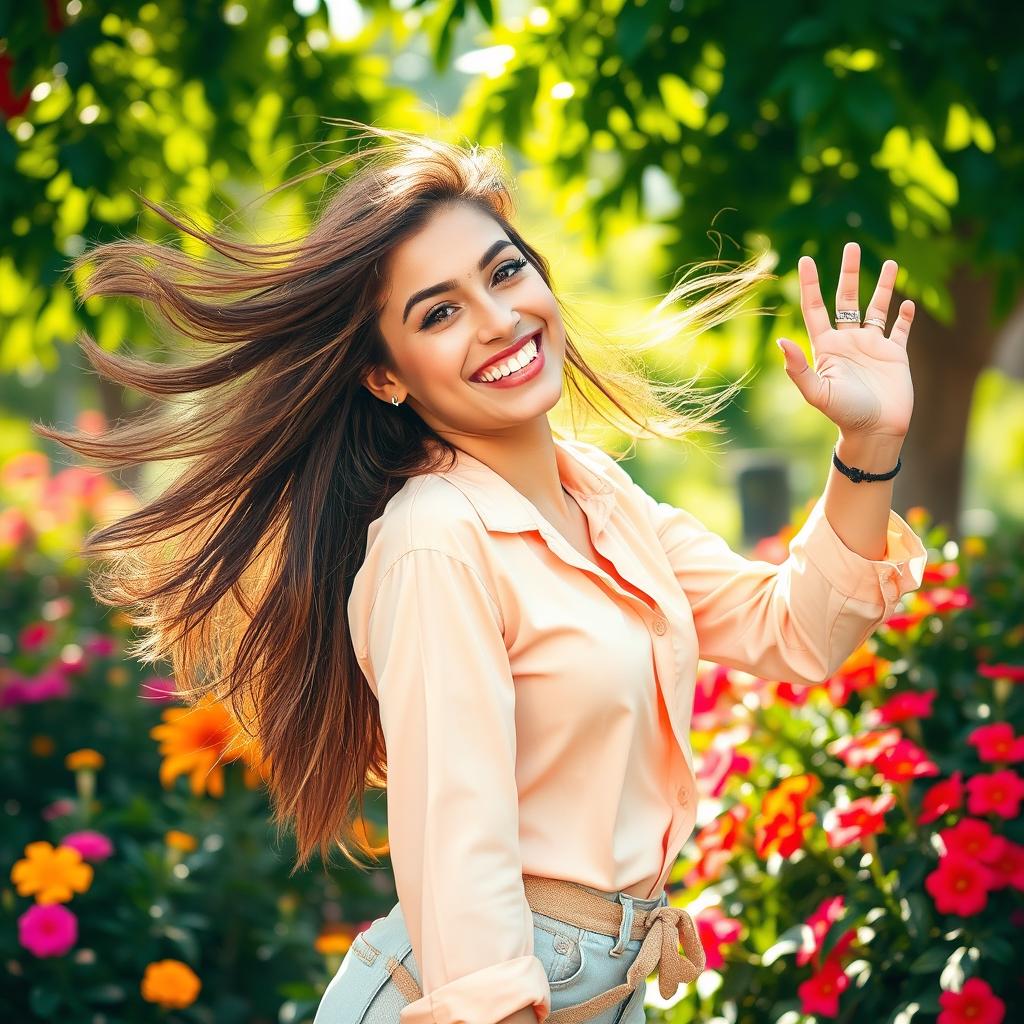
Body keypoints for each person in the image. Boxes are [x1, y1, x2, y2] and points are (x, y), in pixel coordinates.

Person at [35, 122, 927, 1024]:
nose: (499, 320)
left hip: (599, 987)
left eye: (503, 272)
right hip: (494, 993)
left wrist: (869, 444)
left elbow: (795, 631)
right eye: (439, 311)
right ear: (386, 375)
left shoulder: (599, 494)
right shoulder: (436, 540)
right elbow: (459, 853)